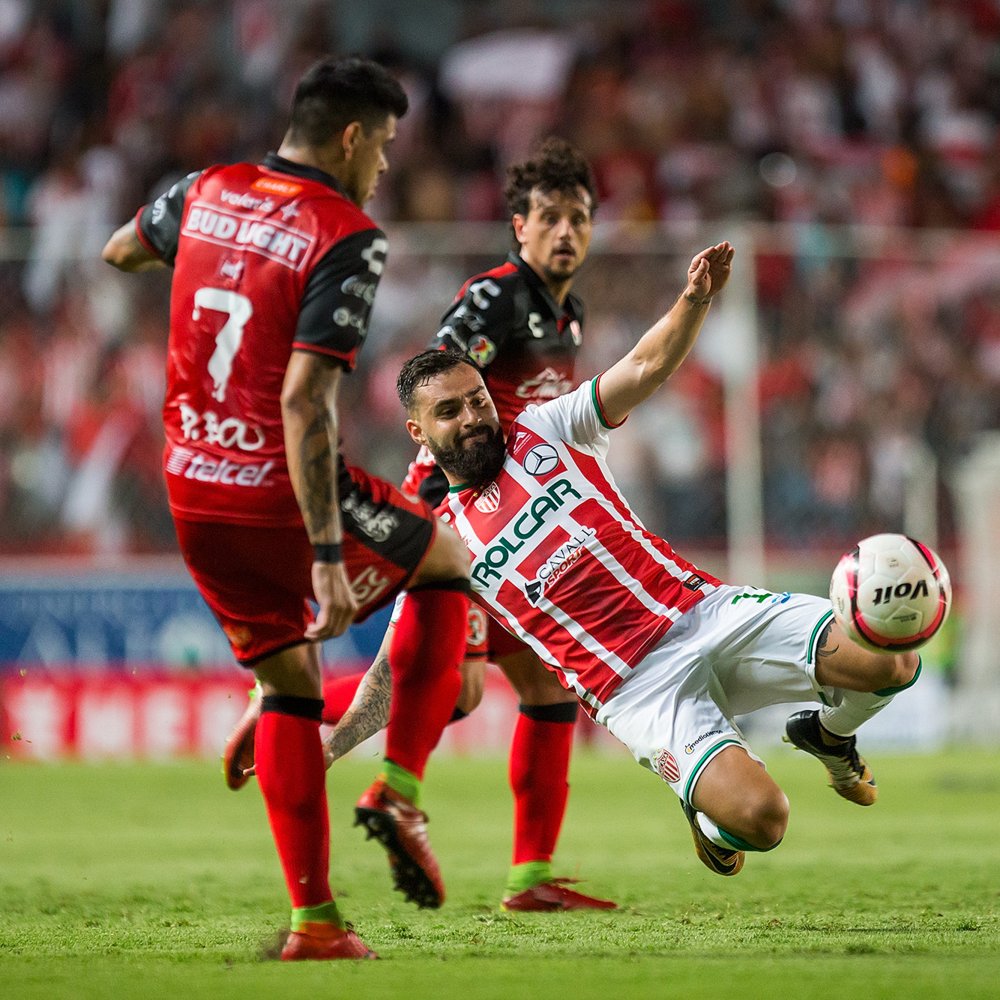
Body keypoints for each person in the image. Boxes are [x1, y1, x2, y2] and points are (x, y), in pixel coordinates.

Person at [332, 240, 924, 880]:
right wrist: (332, 743)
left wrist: (693, 301)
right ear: (418, 432)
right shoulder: (440, 541)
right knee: (764, 820)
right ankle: (704, 811)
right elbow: (402, 665)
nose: (473, 418)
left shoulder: (547, 428)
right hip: (638, 688)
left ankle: (830, 736)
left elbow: (643, 366)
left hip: (704, 611)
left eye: (476, 399)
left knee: (894, 659)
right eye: (449, 412)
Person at [101, 56, 472, 961]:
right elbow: (305, 400)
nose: (383, 166)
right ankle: (396, 789)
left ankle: (315, 925)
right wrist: (321, 551)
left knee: (288, 684)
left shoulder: (207, 188)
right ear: (350, 138)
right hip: (279, 486)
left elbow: (119, 250)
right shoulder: (346, 232)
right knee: (453, 565)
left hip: (191, 484)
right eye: (382, 147)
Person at [224, 137, 617, 912]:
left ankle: (531, 878)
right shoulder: (495, 298)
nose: (566, 232)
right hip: (461, 514)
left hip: (514, 524)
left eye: (579, 217)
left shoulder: (567, 317)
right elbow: (438, 381)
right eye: (549, 218)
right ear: (519, 226)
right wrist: (438, 508)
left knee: (538, 688)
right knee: (455, 689)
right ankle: (292, 707)